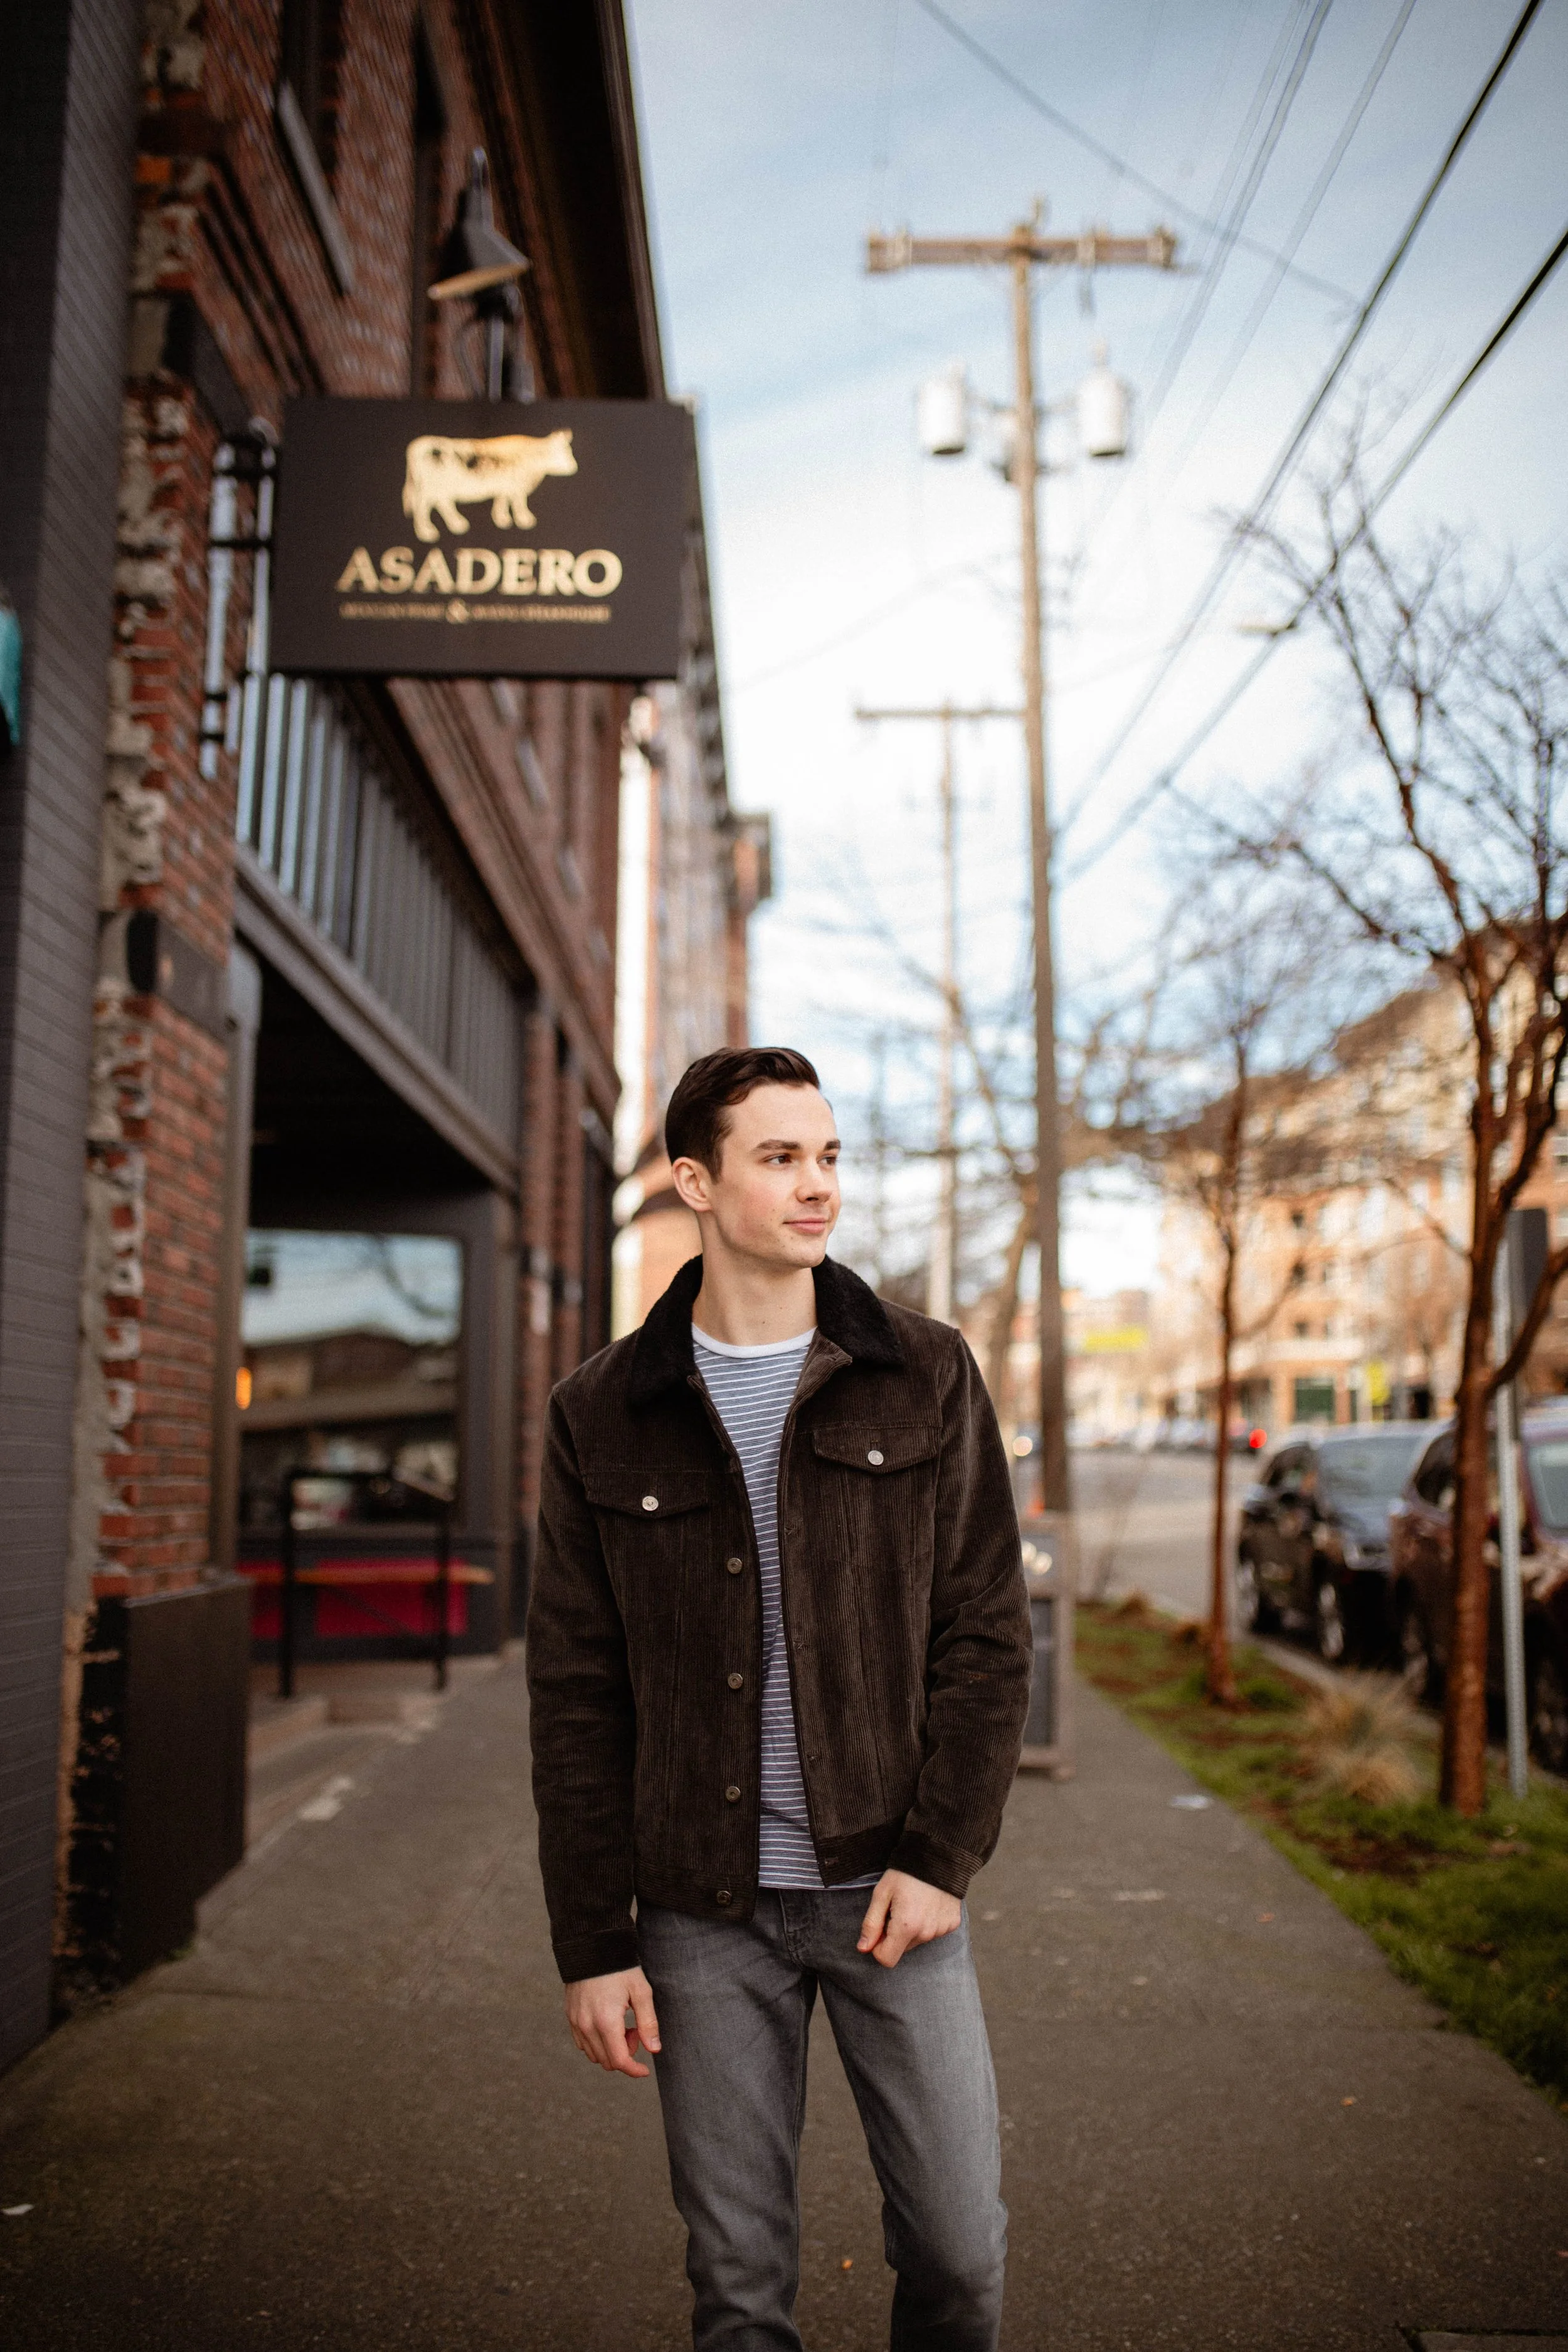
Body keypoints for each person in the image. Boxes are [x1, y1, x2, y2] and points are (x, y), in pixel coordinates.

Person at [527, 1045, 1031, 2351]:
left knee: (960, 2255)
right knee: (739, 2292)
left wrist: (939, 1857)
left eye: (828, 1157)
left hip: (888, 1898)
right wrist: (593, 1942)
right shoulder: (600, 1410)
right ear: (695, 1181)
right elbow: (576, 1694)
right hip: (700, 1913)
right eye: (779, 1158)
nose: (818, 1188)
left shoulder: (922, 1372)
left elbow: (983, 1635)